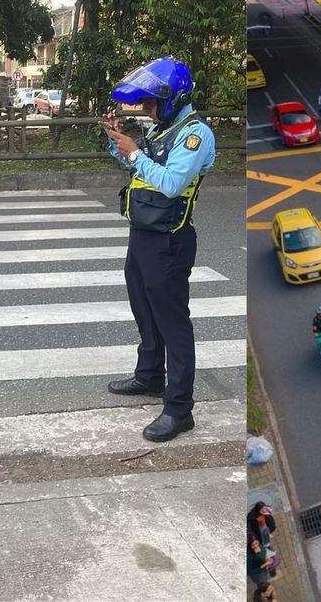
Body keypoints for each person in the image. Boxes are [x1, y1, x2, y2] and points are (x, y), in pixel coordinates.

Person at [102, 57, 216, 443]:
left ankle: (179, 409)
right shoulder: (166, 129)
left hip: (170, 238)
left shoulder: (194, 135)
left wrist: (135, 152)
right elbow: (138, 166)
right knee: (144, 308)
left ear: (172, 99)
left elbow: (170, 182)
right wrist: (119, 142)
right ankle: (150, 375)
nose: (147, 110)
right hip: (143, 233)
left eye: (151, 104)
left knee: (173, 323)